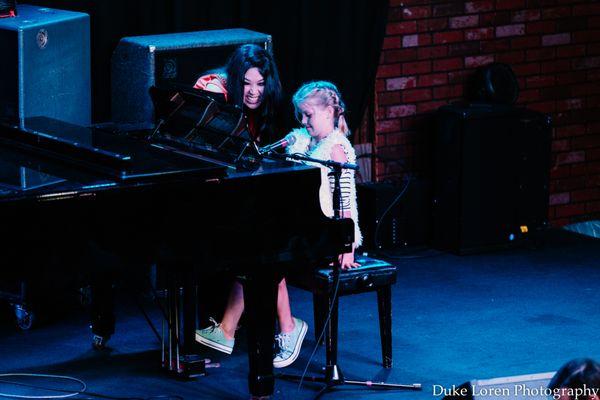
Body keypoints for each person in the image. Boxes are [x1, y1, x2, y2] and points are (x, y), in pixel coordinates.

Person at [193, 44, 308, 369]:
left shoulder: (267, 111)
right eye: (247, 84)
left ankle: (244, 328)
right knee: (257, 242)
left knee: (262, 243)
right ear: (236, 79)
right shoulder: (216, 88)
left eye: (260, 84)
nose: (254, 92)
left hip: (256, 203)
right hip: (226, 198)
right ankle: (244, 327)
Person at [285, 80, 363, 263]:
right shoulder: (301, 143)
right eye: (301, 115)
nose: (303, 121)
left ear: (329, 112)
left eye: (308, 115)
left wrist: (347, 247)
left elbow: (345, 202)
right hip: (305, 229)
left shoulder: (335, 149)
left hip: (327, 235)